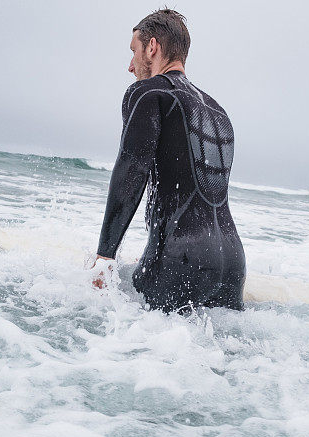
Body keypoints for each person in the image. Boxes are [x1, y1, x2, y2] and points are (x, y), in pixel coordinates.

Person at [91, 9, 246, 314]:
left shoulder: (148, 92)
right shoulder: (217, 111)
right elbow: (193, 187)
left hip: (181, 259)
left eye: (134, 51)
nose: (130, 65)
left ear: (152, 47)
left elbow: (132, 169)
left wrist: (105, 255)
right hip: (231, 263)